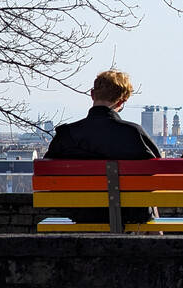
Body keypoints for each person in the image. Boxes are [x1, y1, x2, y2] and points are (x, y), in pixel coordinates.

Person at [45, 70, 161, 227]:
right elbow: (158, 171)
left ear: (92, 95)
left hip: (80, 210)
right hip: (128, 211)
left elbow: (48, 174)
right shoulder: (133, 133)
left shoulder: (66, 134)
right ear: (121, 102)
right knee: (149, 199)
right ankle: (158, 239)